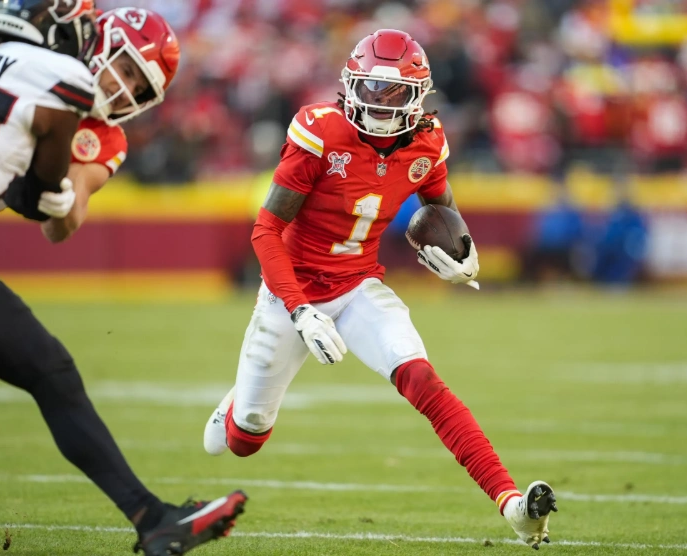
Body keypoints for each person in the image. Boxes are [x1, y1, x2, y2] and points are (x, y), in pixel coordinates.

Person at [203, 29, 556, 549]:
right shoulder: (319, 131)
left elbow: (441, 209)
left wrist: (459, 252)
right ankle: (237, 404)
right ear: (349, 85)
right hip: (289, 295)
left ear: (418, 98)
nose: (380, 105)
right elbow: (265, 231)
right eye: (369, 90)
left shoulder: (427, 142)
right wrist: (300, 311)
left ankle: (512, 506)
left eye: (393, 95)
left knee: (423, 381)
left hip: (357, 287)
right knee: (243, 441)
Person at [0, 3, 247, 555]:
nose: (125, 89)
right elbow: (40, 198)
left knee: (50, 371)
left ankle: (153, 518)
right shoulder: (60, 76)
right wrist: (49, 193)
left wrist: (59, 198)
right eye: (127, 68)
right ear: (92, 37)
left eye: (140, 86)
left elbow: (61, 219)